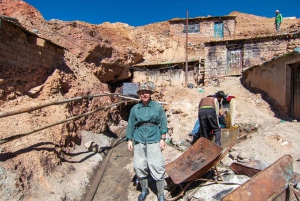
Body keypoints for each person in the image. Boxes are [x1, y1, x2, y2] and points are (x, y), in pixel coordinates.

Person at [126, 81, 168, 201]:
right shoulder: (135, 108)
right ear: (140, 94)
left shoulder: (157, 107)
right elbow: (131, 124)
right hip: (139, 138)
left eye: (147, 92)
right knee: (139, 164)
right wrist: (129, 139)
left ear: (150, 93)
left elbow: (163, 123)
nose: (145, 94)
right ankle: (144, 190)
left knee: (157, 164)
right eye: (142, 92)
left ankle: (160, 194)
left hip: (154, 137)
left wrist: (163, 139)